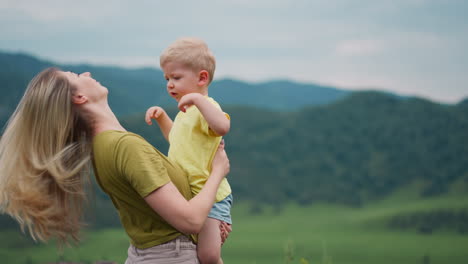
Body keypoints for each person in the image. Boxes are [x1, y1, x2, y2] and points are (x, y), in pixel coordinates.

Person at [0, 67, 231, 263]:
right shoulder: (126, 147)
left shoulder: (101, 147)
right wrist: (217, 173)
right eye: (77, 76)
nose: (87, 73)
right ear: (79, 97)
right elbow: (190, 220)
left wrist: (211, 225)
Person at [145, 37, 232, 264]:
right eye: (166, 78)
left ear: (202, 78)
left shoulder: (207, 106)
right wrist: (163, 118)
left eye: (176, 77)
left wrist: (198, 99)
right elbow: (176, 139)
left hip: (211, 196)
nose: (169, 84)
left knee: (209, 256)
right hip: (192, 196)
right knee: (196, 252)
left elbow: (222, 126)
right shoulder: (186, 112)